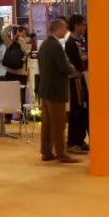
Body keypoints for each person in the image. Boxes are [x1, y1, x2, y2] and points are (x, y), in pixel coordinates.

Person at [37, 18, 79, 163]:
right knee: (59, 124)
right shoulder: (55, 46)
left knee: (47, 124)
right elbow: (63, 67)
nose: (66, 31)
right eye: (65, 28)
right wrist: (72, 68)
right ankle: (61, 153)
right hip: (56, 90)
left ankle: (46, 152)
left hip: (45, 89)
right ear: (59, 28)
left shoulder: (45, 44)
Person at [65, 14, 90, 153]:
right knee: (76, 111)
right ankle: (73, 141)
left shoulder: (81, 41)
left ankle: (80, 139)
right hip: (76, 81)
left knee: (83, 110)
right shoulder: (70, 43)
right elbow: (77, 63)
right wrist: (85, 59)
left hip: (83, 79)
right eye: (83, 25)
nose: (85, 27)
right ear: (76, 26)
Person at [2, 25, 30, 104]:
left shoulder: (27, 45)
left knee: (20, 99)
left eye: (24, 33)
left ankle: (20, 112)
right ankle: (9, 112)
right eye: (20, 32)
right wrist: (12, 26)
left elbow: (26, 50)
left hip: (21, 75)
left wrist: (20, 39)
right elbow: (3, 33)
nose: (22, 34)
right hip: (10, 74)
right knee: (9, 98)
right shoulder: (10, 43)